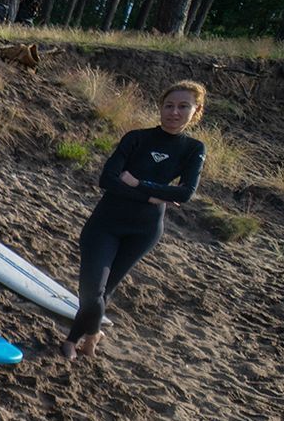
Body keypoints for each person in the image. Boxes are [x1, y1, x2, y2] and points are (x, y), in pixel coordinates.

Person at [62, 81, 207, 360]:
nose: (174, 112)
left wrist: (139, 184)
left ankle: (72, 340)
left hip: (144, 231)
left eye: (183, 106)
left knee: (106, 291)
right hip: (106, 223)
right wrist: (154, 196)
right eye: (169, 105)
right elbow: (108, 180)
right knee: (92, 290)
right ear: (160, 107)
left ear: (196, 110)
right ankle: (94, 333)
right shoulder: (136, 138)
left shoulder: (193, 148)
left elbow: (185, 193)